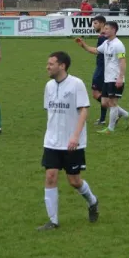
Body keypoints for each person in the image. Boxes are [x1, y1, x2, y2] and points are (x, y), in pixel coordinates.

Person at [38, 51, 99, 230]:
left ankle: (92, 201)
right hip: (51, 141)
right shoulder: (49, 86)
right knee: (50, 176)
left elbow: (84, 111)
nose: (47, 67)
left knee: (74, 181)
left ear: (62, 66)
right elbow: (49, 111)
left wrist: (74, 136)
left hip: (73, 142)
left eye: (51, 64)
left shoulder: (76, 84)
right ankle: (53, 221)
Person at [76, 21, 129, 133]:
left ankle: (110, 129)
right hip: (107, 78)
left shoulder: (118, 45)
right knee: (104, 102)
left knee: (112, 103)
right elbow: (95, 50)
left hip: (115, 78)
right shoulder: (107, 43)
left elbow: (123, 61)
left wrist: (120, 78)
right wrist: (83, 45)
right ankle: (127, 115)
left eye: (107, 29)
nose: (104, 30)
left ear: (113, 30)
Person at [75, 15, 108, 125]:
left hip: (102, 68)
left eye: (96, 23)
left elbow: (97, 51)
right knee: (103, 94)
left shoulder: (102, 37)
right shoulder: (105, 36)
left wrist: (84, 45)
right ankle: (103, 119)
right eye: (93, 23)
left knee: (95, 93)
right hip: (104, 67)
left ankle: (117, 110)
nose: (94, 25)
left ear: (102, 24)